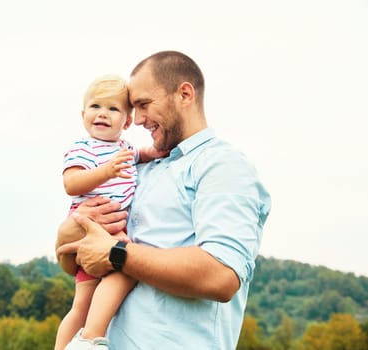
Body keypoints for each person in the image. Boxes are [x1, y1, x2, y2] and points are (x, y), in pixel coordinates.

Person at [57, 51, 271, 349]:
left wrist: (118, 253)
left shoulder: (222, 166)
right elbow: (85, 263)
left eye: (144, 105)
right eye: (134, 108)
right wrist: (66, 238)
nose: (139, 119)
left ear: (184, 94)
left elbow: (221, 276)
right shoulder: (137, 169)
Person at [54, 74, 164, 350]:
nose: (102, 114)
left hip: (114, 230)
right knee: (85, 300)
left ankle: (91, 336)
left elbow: (146, 153)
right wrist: (106, 171)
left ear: (127, 122)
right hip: (90, 227)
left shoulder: (126, 149)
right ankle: (88, 341)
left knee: (114, 278)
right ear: (83, 114)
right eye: (95, 107)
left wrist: (162, 151)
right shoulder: (83, 148)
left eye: (113, 109)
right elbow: (71, 184)